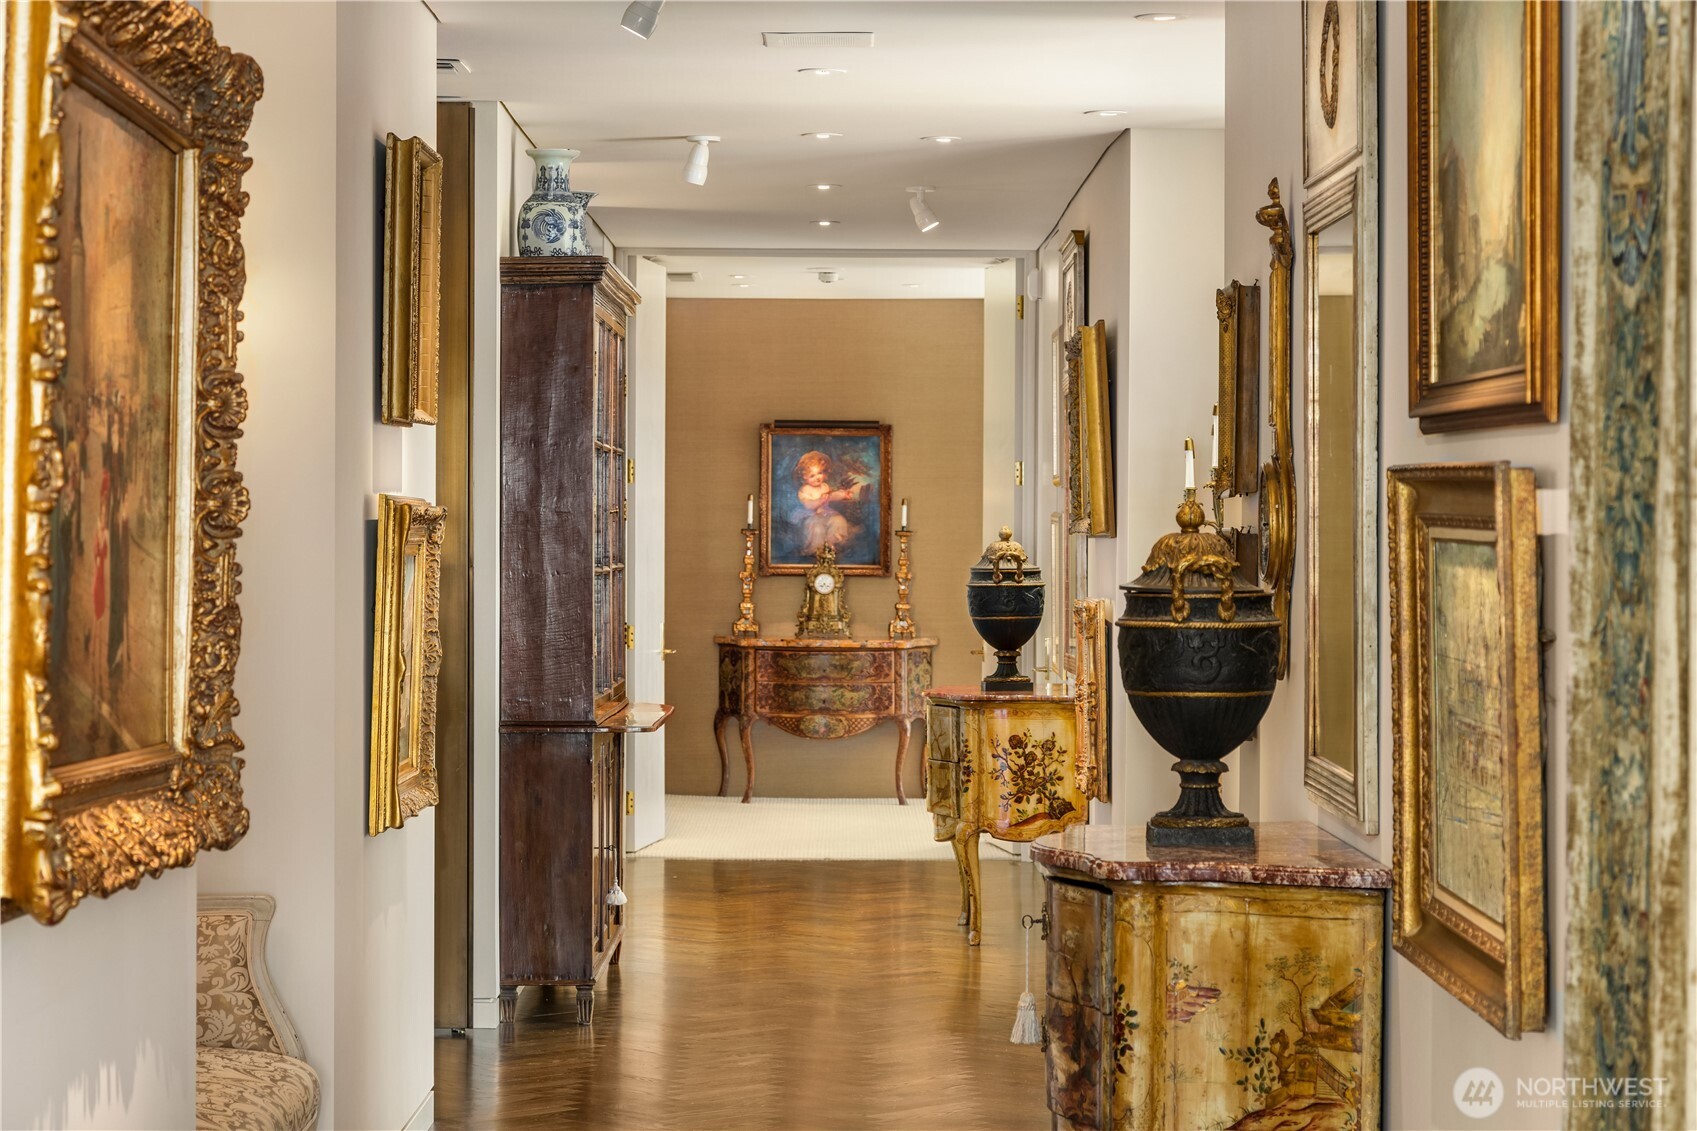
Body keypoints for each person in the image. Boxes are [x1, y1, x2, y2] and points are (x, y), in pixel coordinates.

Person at [793, 449, 867, 555]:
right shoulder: (804, 489)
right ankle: (816, 549)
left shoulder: (824, 486)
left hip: (827, 512)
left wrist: (843, 495)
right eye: (812, 475)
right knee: (817, 527)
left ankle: (831, 545)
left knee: (838, 520)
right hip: (812, 515)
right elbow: (808, 505)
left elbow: (832, 496)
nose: (818, 477)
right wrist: (820, 500)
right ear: (804, 477)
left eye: (820, 473)